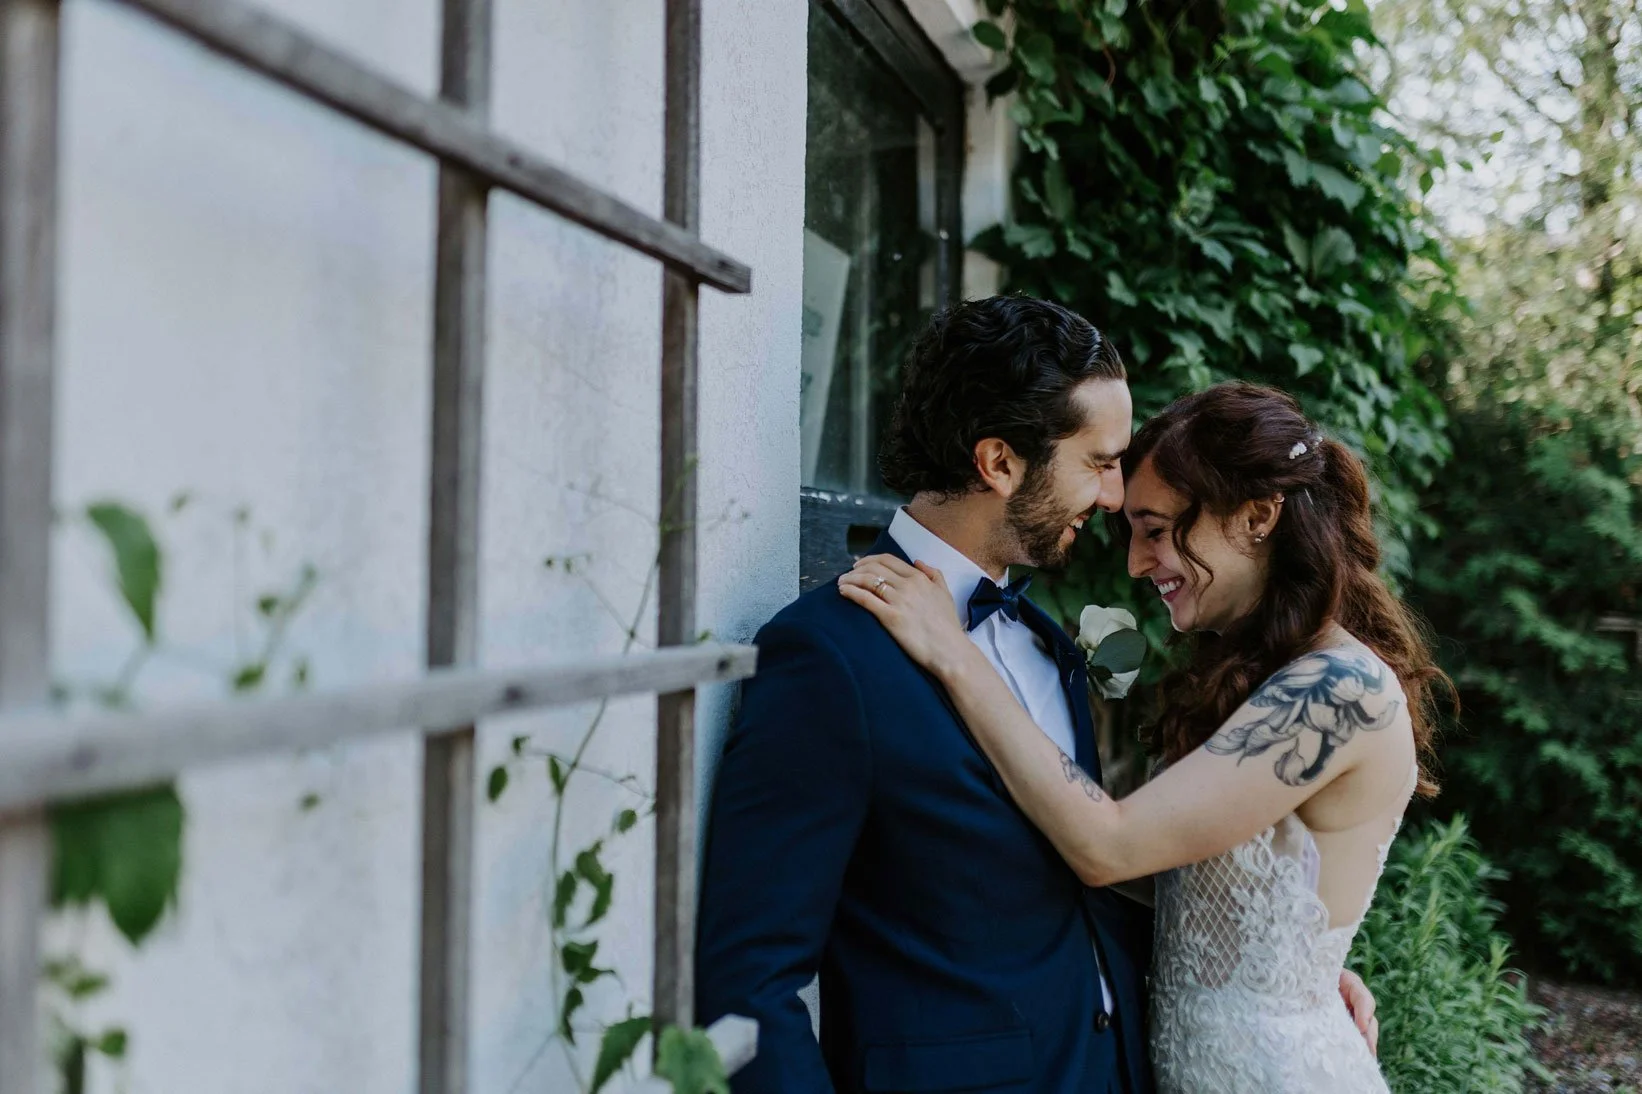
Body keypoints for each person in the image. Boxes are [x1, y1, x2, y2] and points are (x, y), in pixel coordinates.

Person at [696, 297, 1376, 1094]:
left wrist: (1269, 972)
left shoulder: (1047, 644)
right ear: (999, 463)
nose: (1118, 496)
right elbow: (745, 984)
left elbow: (1060, 880)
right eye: (1098, 461)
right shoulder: (828, 657)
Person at [840, 381, 1438, 1093]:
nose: (1134, 562)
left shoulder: (1339, 690)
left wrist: (954, 653)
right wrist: (1289, 964)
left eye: (1155, 530)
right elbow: (1173, 879)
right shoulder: (1263, 674)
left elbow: (1110, 845)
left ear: (1258, 515)